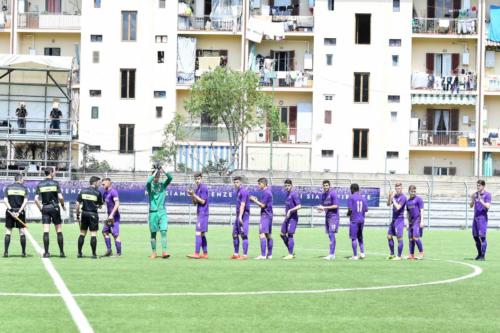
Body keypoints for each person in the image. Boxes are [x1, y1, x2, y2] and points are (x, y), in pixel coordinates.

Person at [34, 168, 66, 258]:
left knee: (46, 231)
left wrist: (41, 209)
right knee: (59, 230)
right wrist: (63, 205)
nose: (55, 173)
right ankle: (61, 252)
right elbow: (60, 197)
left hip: (45, 208)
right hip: (55, 207)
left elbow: (36, 199)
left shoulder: (40, 184)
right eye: (54, 172)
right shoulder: (55, 183)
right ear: (51, 173)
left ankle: (46, 253)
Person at [146, 165, 173, 259]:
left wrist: (163, 170)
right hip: (153, 212)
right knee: (153, 233)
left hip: (162, 212)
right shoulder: (149, 186)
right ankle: (154, 252)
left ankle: (164, 252)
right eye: (155, 176)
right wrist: (154, 172)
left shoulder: (163, 185)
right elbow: (148, 181)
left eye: (158, 176)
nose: (156, 178)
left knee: (164, 231)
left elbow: (170, 177)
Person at [76, 176, 103, 259]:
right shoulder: (98, 193)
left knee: (82, 234)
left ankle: (79, 253)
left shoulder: (83, 191)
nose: (100, 184)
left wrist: (77, 214)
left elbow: (77, 204)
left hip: (84, 214)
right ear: (94, 182)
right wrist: (98, 206)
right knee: (93, 234)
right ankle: (94, 254)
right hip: (93, 215)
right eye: (99, 182)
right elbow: (100, 205)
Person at [3, 174, 28, 257]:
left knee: (8, 231)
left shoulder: (8, 187)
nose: (23, 180)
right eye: (23, 179)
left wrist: (11, 210)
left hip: (10, 212)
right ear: (20, 179)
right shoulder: (24, 188)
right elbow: (25, 201)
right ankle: (23, 252)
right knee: (22, 232)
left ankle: (6, 252)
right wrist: (19, 212)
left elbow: (5, 200)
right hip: (20, 212)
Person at [187, 172, 209, 259]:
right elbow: (194, 203)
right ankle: (205, 253)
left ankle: (196, 253)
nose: (197, 181)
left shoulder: (203, 188)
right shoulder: (197, 188)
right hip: (200, 213)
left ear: (201, 178)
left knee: (198, 232)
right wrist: (191, 195)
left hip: (203, 213)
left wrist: (194, 195)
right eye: (195, 179)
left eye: (198, 179)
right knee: (202, 234)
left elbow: (203, 201)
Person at [250, 177, 273, 260]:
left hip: (265, 215)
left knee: (261, 234)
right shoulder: (268, 192)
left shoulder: (266, 192)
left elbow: (262, 205)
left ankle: (263, 255)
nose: (258, 185)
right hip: (269, 215)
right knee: (268, 235)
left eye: (259, 184)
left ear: (264, 184)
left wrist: (254, 200)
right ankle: (269, 255)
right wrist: (256, 200)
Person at [316, 180, 339, 260]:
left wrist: (324, 208)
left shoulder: (333, 193)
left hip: (333, 217)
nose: (325, 187)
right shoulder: (323, 195)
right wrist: (320, 209)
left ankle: (331, 254)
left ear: (329, 186)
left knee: (331, 234)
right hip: (327, 217)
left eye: (327, 185)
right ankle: (332, 254)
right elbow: (323, 206)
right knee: (330, 235)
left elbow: (336, 206)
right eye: (324, 185)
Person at [470, 180, 491, 261]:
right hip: (475, 218)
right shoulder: (475, 194)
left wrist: (481, 201)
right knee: (475, 237)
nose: (478, 187)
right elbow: (471, 206)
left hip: (482, 218)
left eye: (479, 185)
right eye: (477, 185)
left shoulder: (487, 195)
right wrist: (472, 200)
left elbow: (488, 206)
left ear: (483, 186)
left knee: (482, 237)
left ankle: (483, 256)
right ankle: (479, 254)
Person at [280, 179, 301, 260]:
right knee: (282, 234)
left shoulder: (294, 194)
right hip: (287, 218)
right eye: (286, 186)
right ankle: (290, 250)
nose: (287, 187)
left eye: (288, 186)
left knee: (290, 234)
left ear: (291, 186)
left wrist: (290, 210)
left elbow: (299, 206)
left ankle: (290, 254)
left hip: (293, 218)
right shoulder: (287, 194)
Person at [231, 176, 250, 260]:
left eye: (237, 182)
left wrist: (240, 217)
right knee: (234, 234)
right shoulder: (238, 191)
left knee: (243, 235)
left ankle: (245, 255)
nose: (235, 184)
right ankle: (236, 254)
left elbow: (242, 205)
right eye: (234, 182)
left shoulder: (244, 191)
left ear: (241, 182)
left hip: (243, 216)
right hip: (238, 215)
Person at [347, 183, 368, 260]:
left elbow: (350, 209)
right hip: (361, 220)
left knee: (353, 238)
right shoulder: (363, 198)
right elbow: (366, 210)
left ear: (352, 189)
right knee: (360, 237)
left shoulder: (351, 198)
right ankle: (362, 253)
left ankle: (355, 255)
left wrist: (348, 214)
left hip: (354, 220)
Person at [101, 178, 122, 257]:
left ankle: (118, 253)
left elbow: (117, 204)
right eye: (102, 184)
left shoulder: (113, 192)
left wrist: (112, 215)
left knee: (115, 234)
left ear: (108, 183)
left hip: (114, 217)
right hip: (109, 217)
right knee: (104, 232)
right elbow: (102, 203)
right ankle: (109, 250)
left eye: (103, 184)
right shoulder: (105, 194)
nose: (102, 186)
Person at [386, 182, 407, 260]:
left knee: (399, 237)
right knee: (389, 236)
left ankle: (399, 256)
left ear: (401, 188)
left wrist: (393, 200)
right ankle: (392, 254)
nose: (398, 190)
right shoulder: (394, 196)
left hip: (400, 220)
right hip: (393, 220)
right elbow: (388, 204)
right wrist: (389, 196)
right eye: (397, 188)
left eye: (399, 188)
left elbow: (398, 207)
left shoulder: (403, 197)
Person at [406, 185, 424, 260]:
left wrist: (422, 221)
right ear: (409, 191)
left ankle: (421, 252)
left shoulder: (419, 199)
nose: (413, 193)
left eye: (414, 191)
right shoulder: (408, 201)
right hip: (411, 222)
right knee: (410, 238)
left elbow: (422, 210)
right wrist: (407, 222)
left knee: (415, 237)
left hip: (417, 220)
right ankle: (411, 254)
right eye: (412, 191)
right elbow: (407, 213)